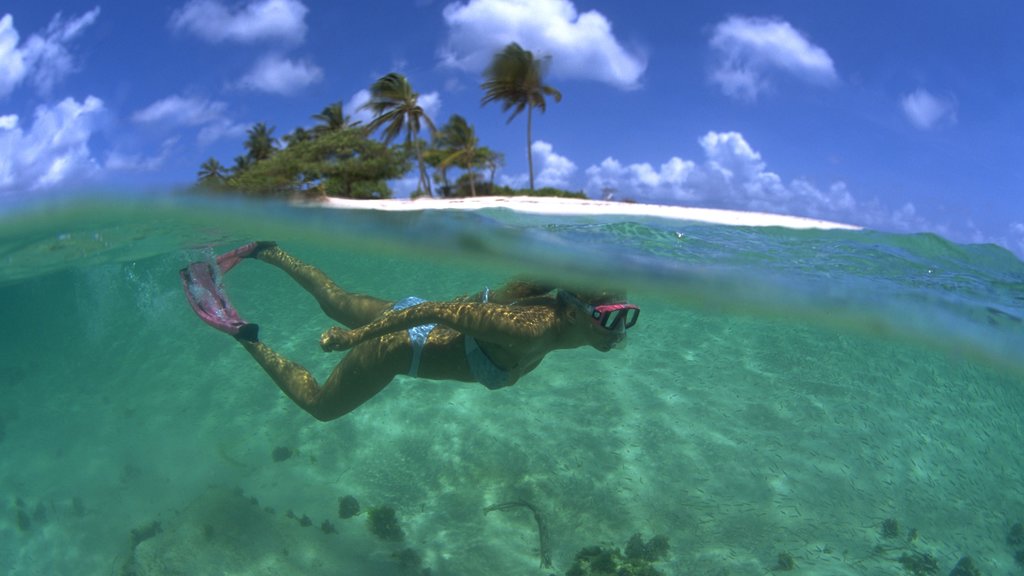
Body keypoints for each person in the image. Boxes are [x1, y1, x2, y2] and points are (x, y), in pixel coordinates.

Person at [181, 242, 639, 421]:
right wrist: (356, 340)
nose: (617, 332)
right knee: (321, 406)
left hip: (411, 320)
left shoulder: (553, 319)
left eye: (626, 316)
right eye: (610, 317)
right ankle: (245, 335)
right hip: (397, 345)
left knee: (334, 300)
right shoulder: (528, 329)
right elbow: (438, 312)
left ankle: (266, 250)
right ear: (575, 310)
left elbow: (438, 313)